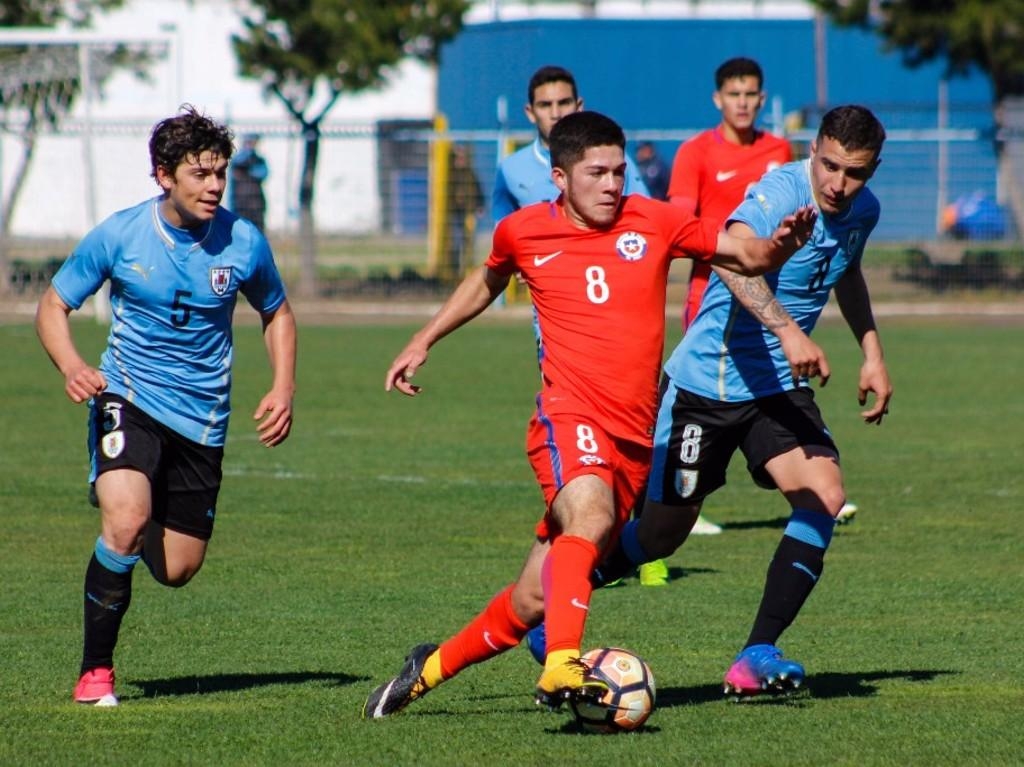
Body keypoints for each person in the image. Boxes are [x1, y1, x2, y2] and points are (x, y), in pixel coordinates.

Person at [362, 110, 816, 718]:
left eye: (619, 171)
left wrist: (775, 248)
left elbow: (742, 251)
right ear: (560, 177)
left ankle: (427, 670)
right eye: (596, 172)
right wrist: (425, 338)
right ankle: (563, 664)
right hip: (567, 414)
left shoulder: (655, 219)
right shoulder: (523, 231)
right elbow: (487, 279)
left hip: (635, 438)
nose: (612, 184)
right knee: (591, 515)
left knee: (530, 599)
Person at [590, 104, 892, 698]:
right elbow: (731, 260)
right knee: (658, 538)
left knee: (824, 495)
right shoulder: (780, 192)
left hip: (777, 386)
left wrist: (873, 352)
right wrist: (787, 329)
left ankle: (756, 653)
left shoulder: (864, 211)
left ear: (872, 169)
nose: (837, 184)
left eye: (853, 173)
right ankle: (556, 602)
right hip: (707, 387)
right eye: (829, 166)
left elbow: (846, 270)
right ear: (813, 151)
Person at [35, 106, 297, 707]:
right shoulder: (120, 235)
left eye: (220, 175)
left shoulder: (243, 241)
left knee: (177, 570)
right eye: (200, 174)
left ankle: (129, 491)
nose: (213, 187)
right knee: (124, 523)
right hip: (126, 393)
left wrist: (282, 387)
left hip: (201, 417)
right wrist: (75, 366)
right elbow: (53, 306)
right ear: (164, 176)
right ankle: (95, 671)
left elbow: (276, 311)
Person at [665, 56, 795, 539]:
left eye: (750, 95)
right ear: (718, 99)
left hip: (770, 296)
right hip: (710, 297)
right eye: (733, 95)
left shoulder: (780, 150)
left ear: (762, 99)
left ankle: (801, 480)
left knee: (772, 386)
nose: (742, 103)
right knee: (708, 402)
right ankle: (682, 501)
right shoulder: (696, 153)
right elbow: (678, 226)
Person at [491, 65, 649, 222]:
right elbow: (503, 232)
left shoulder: (613, 162)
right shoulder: (509, 168)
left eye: (564, 103)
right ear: (530, 112)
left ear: (579, 106)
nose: (555, 114)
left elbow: (643, 215)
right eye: (545, 105)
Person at [444, 143, 484, 280]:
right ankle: (455, 270)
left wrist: (480, 206)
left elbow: (478, 191)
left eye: (462, 158)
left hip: (468, 213)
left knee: (468, 242)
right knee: (455, 241)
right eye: (458, 158)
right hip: (454, 213)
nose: (460, 161)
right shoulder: (450, 175)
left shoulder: (470, 174)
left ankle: (467, 269)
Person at [230, 133, 269, 232]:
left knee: (258, 231)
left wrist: (249, 170)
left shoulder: (259, 160)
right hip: (240, 203)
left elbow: (262, 173)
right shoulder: (237, 159)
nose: (251, 145)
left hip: (256, 203)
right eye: (249, 142)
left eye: (253, 143)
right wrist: (247, 154)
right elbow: (238, 163)